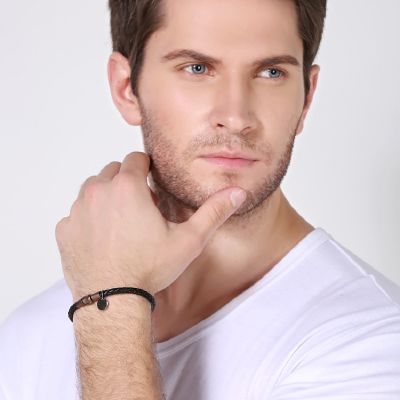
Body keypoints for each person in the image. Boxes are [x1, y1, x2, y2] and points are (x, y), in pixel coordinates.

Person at [1, 0, 400, 399]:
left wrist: (111, 300)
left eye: (271, 72)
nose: (237, 117)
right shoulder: (27, 338)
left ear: (306, 98)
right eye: (197, 68)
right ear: (126, 88)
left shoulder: (373, 340)